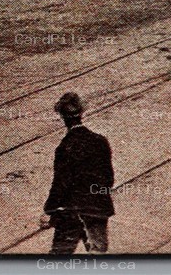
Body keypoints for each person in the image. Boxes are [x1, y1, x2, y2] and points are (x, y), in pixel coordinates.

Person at [42, 92, 114, 254]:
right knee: (98, 257)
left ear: (62, 117)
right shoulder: (100, 141)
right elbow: (108, 178)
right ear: (81, 113)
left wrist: (49, 210)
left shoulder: (65, 147)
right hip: (97, 208)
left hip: (71, 212)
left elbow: (61, 183)